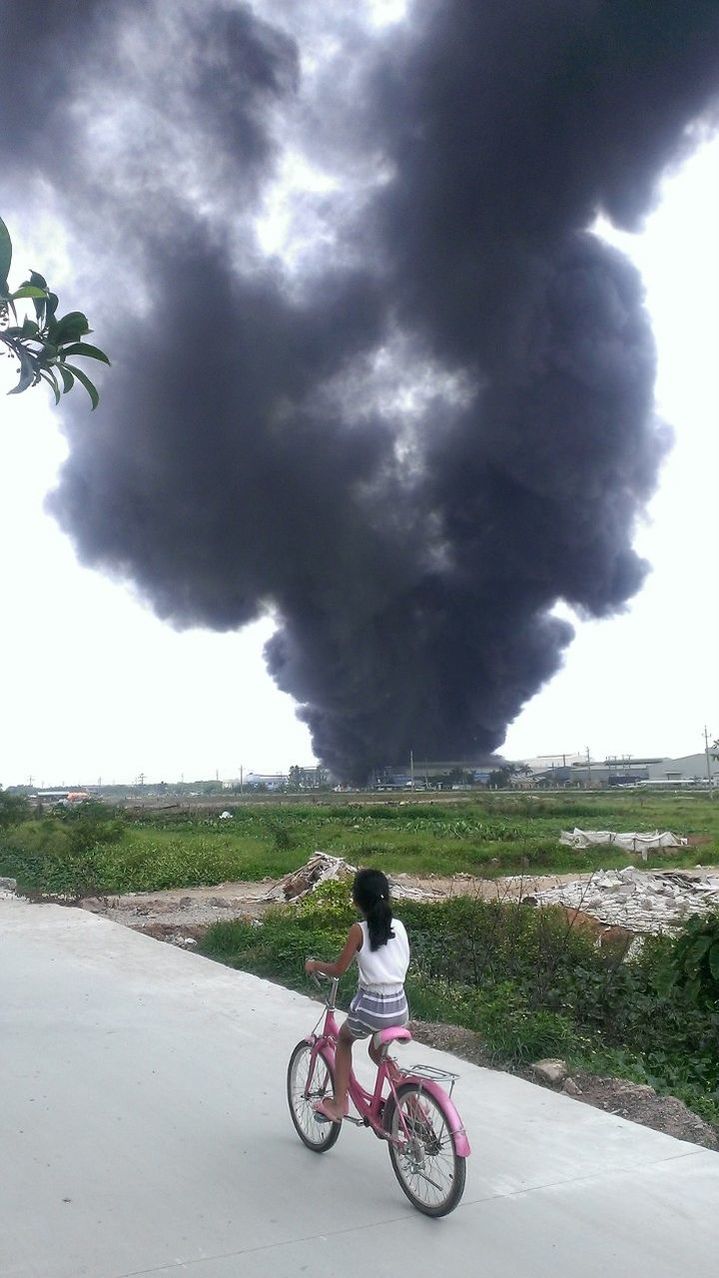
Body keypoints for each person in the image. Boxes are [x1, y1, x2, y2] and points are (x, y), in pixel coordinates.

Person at [304, 868, 410, 1123]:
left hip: (373, 1007)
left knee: (343, 1040)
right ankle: (414, 1103)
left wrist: (315, 965)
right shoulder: (399, 926)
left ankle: (339, 1105)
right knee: (378, 1053)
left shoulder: (358, 930)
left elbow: (339, 969)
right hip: (400, 1006)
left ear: (356, 900)